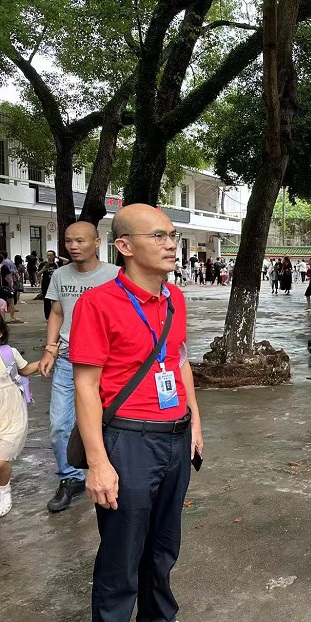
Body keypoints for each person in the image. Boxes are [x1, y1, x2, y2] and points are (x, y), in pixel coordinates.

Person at [70, 203, 202, 621]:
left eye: (172, 236)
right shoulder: (98, 303)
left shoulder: (175, 296)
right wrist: (98, 463)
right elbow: (86, 385)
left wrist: (194, 420)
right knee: (121, 556)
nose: (170, 245)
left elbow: (179, 360)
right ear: (124, 245)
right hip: (128, 441)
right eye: (159, 237)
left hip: (175, 437)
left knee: (163, 550)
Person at [38, 222, 120, 513]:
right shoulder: (60, 275)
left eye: (81, 241)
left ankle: (113, 471)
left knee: (111, 421)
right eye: (69, 241)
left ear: (97, 242)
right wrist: (50, 349)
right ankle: (69, 478)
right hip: (68, 360)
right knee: (60, 425)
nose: (74, 246)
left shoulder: (114, 275)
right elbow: (57, 312)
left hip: (107, 361)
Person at [0, 314, 40, 517]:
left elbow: (25, 370)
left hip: (11, 412)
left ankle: (3, 489)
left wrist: (49, 358)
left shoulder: (8, 353)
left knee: (2, 460)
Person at [37, 250, 68, 320]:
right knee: (47, 301)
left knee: (57, 300)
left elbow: (67, 261)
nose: (49, 257)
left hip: (56, 284)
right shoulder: (43, 264)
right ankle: (48, 316)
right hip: (46, 284)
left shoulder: (57, 264)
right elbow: (38, 274)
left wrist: (57, 257)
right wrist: (43, 269)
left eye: (51, 255)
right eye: (48, 255)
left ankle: (57, 315)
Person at [0, 254, 23, 323]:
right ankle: (12, 317)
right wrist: (11, 286)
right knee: (11, 301)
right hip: (3, 287)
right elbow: (8, 278)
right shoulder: (3, 267)